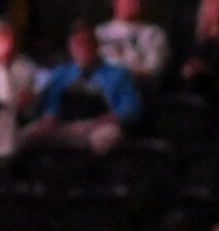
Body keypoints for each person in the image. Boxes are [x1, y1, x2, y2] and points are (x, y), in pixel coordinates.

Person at [30, 22, 142, 152]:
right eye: (78, 44)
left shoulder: (118, 74)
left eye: (88, 43)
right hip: (64, 125)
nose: (84, 48)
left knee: (105, 138)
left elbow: (133, 106)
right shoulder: (60, 74)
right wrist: (49, 115)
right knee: (29, 136)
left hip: (101, 125)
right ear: (70, 48)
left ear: (96, 45)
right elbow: (49, 104)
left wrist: (115, 116)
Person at [96, 0, 171, 85]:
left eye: (137, 2)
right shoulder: (100, 32)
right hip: (101, 83)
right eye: (128, 1)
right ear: (115, 3)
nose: (134, 5)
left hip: (138, 85)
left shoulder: (154, 33)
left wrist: (124, 75)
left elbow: (154, 68)